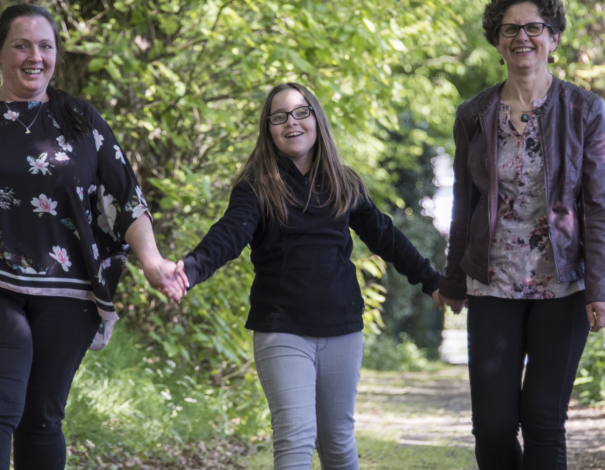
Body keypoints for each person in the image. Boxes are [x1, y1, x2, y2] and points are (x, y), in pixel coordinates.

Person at [0, 5, 184, 468]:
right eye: (21, 45)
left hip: (67, 293)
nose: (35, 57)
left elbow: (126, 199)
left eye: (46, 46)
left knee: (42, 418)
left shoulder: (81, 120)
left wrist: (152, 260)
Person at [172, 83, 443, 470]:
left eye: (301, 112)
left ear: (316, 118)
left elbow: (388, 237)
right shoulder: (257, 186)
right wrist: (191, 269)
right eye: (279, 116)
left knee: (337, 444)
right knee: (296, 437)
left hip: (342, 329)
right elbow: (230, 234)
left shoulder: (344, 183)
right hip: (283, 329)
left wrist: (433, 282)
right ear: (268, 129)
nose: (291, 122)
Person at [435, 0, 605, 468]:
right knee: (493, 429)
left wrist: (602, 287)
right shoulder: (474, 115)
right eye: (510, 28)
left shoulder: (584, 110)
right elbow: (465, 205)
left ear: (553, 38)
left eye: (534, 27)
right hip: (492, 283)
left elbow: (599, 206)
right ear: (497, 41)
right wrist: (453, 280)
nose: (522, 37)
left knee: (542, 419)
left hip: (562, 284)